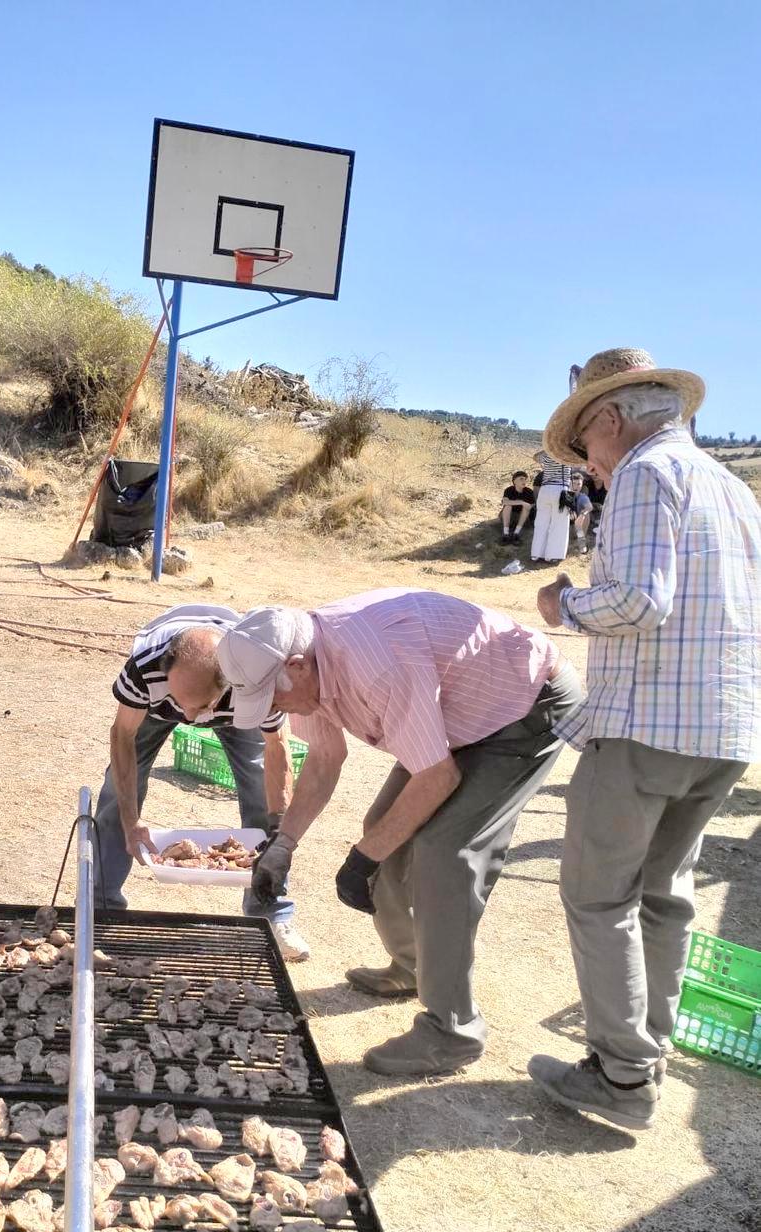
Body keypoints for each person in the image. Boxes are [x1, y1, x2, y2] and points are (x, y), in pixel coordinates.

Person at [532, 348, 761, 1132]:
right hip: (724, 731)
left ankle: (623, 1077)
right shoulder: (735, 489)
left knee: (599, 895)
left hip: (647, 726)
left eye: (585, 444)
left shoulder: (641, 473)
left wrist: (564, 603)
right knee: (665, 896)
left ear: (611, 417)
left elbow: (637, 601)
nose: (589, 464)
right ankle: (647, 1052)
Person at [217, 592, 582, 1074]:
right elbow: (326, 759)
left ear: (298, 666)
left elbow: (438, 777)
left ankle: (452, 1031)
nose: (273, 706)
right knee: (383, 830)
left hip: (523, 709)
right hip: (462, 716)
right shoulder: (306, 663)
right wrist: (283, 845)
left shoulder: (375, 665)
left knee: (444, 852)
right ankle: (412, 965)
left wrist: (362, 859)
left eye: (271, 695)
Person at [95, 604, 309, 962]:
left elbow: (277, 749)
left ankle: (273, 912)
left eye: (200, 706)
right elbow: (122, 736)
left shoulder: (252, 675)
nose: (189, 719)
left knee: (261, 794)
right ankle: (103, 907)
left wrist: (277, 832)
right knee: (116, 795)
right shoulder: (145, 670)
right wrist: (131, 822)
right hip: (154, 707)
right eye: (182, 704)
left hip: (234, 710)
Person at [530, 448, 572, 563]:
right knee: (559, 524)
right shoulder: (567, 453)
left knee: (541, 523)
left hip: (544, 489)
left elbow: (535, 457)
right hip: (561, 489)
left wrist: (547, 448)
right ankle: (553, 555)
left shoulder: (547, 455)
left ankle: (536, 554)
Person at [499, 472, 535, 544]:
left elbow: (531, 505)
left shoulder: (529, 491)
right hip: (509, 516)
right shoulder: (509, 490)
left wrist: (526, 505)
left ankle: (516, 533)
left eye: (525, 479)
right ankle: (506, 534)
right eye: (521, 479)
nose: (524, 481)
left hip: (522, 518)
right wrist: (521, 502)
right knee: (508, 506)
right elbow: (505, 502)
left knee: (526, 507)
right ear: (514, 481)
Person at [567, 471, 593, 552]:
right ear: (569, 483)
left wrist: (582, 515)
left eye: (579, 484)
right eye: (573, 483)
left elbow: (589, 507)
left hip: (576, 528)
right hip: (561, 527)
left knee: (586, 513)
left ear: (582, 486)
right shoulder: (563, 495)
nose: (576, 486)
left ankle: (581, 542)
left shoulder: (582, 497)